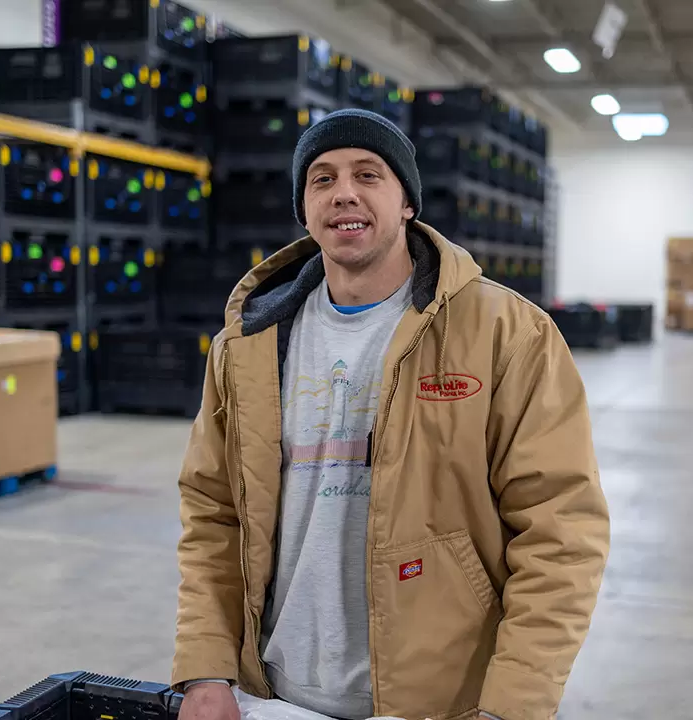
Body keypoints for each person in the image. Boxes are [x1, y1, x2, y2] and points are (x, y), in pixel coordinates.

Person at [172, 108, 610, 720]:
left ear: (407, 201)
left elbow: (561, 532)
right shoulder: (247, 343)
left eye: (368, 174)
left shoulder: (507, 333)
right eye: (321, 179)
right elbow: (213, 513)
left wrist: (512, 705)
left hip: (438, 698)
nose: (343, 192)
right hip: (273, 691)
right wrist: (205, 668)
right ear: (304, 209)